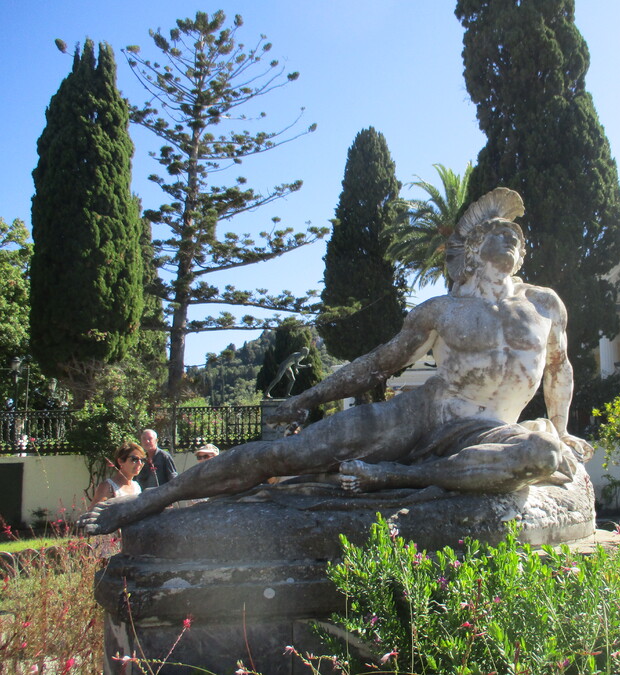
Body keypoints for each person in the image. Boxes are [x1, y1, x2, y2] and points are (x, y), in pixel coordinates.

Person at [79, 188, 593, 535]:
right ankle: (149, 500)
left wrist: (561, 430)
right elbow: (377, 365)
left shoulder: (545, 305)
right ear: (475, 247)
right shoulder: (444, 310)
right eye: (498, 233)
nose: (511, 240)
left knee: (541, 457)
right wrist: (305, 397)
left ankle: (390, 477)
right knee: (288, 455)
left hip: (487, 433)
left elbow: (559, 370)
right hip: (421, 415)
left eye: (517, 238)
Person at [87, 442, 145, 510]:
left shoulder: (136, 486)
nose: (140, 463)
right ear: (120, 461)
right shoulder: (108, 487)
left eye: (142, 460)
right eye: (134, 459)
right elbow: (93, 514)